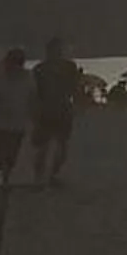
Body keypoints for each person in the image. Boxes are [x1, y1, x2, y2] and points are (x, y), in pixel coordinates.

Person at [29, 37, 81, 185]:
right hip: (53, 109)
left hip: (56, 109)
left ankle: (45, 176)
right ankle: (46, 176)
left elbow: (74, 88)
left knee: (55, 147)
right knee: (51, 147)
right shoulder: (43, 69)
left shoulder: (44, 68)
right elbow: (35, 93)